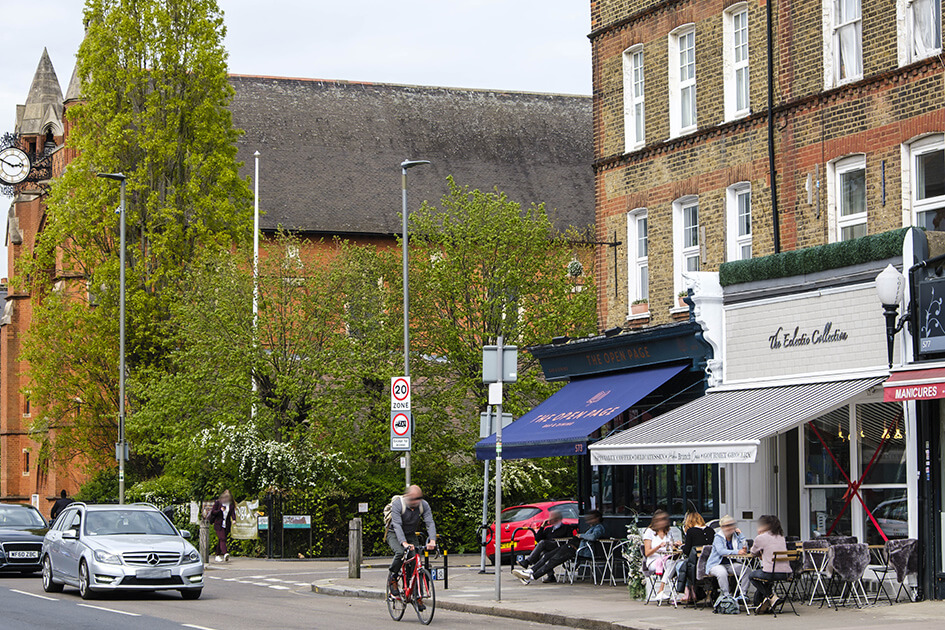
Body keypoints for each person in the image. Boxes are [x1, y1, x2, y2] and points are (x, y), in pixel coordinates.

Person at [512, 510, 606, 584]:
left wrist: (581, 535)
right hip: (569, 547)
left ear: (597, 518)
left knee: (553, 561)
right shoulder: (592, 527)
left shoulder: (599, 528)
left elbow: (593, 537)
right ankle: (530, 571)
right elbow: (538, 538)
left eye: (591, 519)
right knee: (547, 556)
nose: (589, 521)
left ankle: (532, 576)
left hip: (576, 550)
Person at [387, 485, 437, 597]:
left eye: (419, 498)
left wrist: (432, 540)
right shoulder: (398, 505)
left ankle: (417, 595)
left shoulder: (424, 505)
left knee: (416, 560)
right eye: (414, 499)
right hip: (394, 533)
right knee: (400, 553)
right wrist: (404, 543)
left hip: (410, 534)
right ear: (408, 496)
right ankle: (393, 578)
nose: (417, 501)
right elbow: (397, 526)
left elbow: (429, 522)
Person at [518, 510, 577, 583]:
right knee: (543, 553)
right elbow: (537, 538)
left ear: (557, 519)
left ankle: (528, 561)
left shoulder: (565, 528)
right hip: (549, 548)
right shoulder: (549, 529)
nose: (549, 519)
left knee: (543, 543)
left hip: (560, 547)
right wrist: (542, 527)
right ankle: (551, 576)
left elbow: (569, 540)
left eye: (551, 518)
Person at [749, 515, 791, 613]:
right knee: (766, 579)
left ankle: (770, 596)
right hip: (786, 573)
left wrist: (759, 536)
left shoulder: (761, 537)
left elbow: (753, 552)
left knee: (752, 576)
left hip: (771, 572)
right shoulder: (781, 537)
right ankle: (761, 603)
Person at [706, 514, 750, 601]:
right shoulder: (718, 537)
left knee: (746, 570)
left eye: (732, 525)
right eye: (727, 526)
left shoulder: (735, 537)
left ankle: (743, 594)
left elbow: (744, 548)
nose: (730, 528)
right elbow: (721, 551)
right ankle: (726, 596)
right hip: (716, 564)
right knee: (722, 573)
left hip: (730, 564)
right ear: (722, 527)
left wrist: (741, 535)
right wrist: (737, 552)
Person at [675, 510, 714, 602]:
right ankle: (693, 592)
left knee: (679, 565)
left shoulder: (691, 531)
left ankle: (688, 592)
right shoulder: (711, 530)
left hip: (696, 566)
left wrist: (681, 546)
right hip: (710, 564)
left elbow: (687, 551)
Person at [642, 510, 678, 602]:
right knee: (670, 564)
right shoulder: (649, 532)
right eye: (660, 520)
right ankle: (661, 590)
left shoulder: (668, 532)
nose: (662, 522)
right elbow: (647, 553)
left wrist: (676, 545)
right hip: (653, 561)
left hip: (666, 559)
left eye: (664, 520)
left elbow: (670, 546)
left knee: (675, 563)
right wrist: (658, 546)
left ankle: (661, 590)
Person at [208, 489, 235, 562]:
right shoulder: (218, 503)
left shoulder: (231, 505)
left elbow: (232, 512)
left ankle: (217, 555)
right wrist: (220, 510)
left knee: (221, 539)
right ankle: (225, 553)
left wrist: (234, 519)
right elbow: (213, 512)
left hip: (226, 524)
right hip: (218, 524)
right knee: (222, 538)